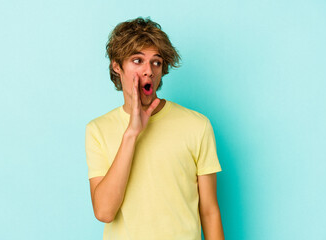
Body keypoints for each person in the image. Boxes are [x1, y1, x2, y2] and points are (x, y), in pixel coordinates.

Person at [85, 17, 225, 240]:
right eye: (137, 60)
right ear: (117, 66)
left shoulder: (197, 125)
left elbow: (209, 211)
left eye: (156, 62)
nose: (149, 70)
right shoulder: (98, 130)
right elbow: (104, 211)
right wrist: (131, 134)